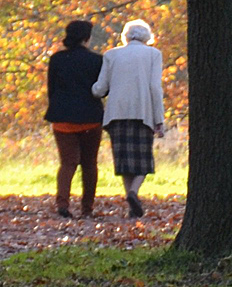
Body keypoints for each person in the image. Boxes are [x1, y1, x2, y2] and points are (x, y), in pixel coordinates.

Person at [92, 19, 165, 217]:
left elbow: (100, 89)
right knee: (143, 160)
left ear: (125, 35)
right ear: (147, 37)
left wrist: (90, 89)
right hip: (143, 113)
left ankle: (130, 199)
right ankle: (133, 193)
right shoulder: (153, 54)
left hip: (116, 114)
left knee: (124, 160)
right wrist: (159, 118)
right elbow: (154, 88)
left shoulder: (111, 55)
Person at [44, 19, 104, 219]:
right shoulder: (97, 60)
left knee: (67, 163)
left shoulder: (57, 59)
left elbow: (51, 89)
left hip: (62, 119)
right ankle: (87, 208)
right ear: (86, 38)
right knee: (89, 164)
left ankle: (63, 204)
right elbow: (102, 90)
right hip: (91, 119)